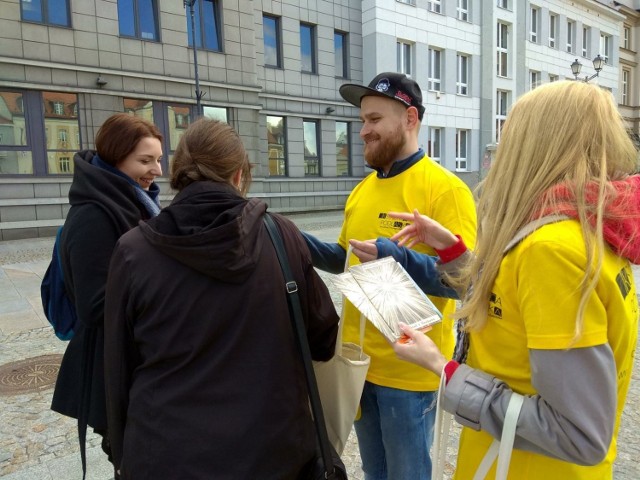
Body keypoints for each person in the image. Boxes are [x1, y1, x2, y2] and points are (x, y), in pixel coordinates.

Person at [390, 80, 639, 479]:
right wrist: (453, 253)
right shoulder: (586, 228)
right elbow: (514, 307)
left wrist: (442, 369)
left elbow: (578, 433)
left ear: (531, 146)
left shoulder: (552, 250)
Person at [103, 118, 340, 480]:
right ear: (239, 176)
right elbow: (323, 340)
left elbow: (119, 367)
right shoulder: (282, 236)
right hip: (275, 452)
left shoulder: (133, 251)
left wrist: (121, 451)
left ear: (178, 175)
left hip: (166, 455)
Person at [303, 72, 477, 480]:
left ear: (410, 118)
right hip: (360, 364)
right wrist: (289, 238)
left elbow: (464, 283)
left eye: (375, 120)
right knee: (375, 474)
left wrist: (395, 257)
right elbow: (344, 258)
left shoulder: (445, 190)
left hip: (410, 371)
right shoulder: (362, 189)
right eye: (362, 120)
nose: (363, 131)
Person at [50, 112, 163, 478]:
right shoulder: (93, 215)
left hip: (133, 359)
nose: (157, 170)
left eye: (159, 159)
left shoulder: (134, 202)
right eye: (145, 161)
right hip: (110, 367)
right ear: (116, 159)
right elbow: (96, 305)